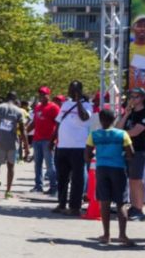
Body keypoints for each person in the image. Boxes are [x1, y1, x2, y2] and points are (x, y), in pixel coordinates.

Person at [86, 109, 135, 247]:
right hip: (118, 169)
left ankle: (106, 235)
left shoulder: (94, 135)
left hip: (101, 169)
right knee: (121, 203)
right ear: (114, 119)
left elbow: (87, 155)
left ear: (100, 119)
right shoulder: (122, 134)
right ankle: (123, 235)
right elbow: (131, 153)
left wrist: (98, 156)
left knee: (105, 202)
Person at [53, 81, 93, 216]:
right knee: (62, 176)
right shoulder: (65, 104)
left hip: (78, 146)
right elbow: (59, 122)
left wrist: (79, 101)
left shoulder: (87, 105)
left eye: (75, 89)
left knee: (77, 178)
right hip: (62, 146)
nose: (72, 91)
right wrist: (53, 139)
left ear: (80, 91)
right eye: (71, 88)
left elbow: (84, 117)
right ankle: (61, 203)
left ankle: (75, 206)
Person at [116, 87, 145, 220]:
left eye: (136, 97)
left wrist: (122, 134)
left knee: (135, 180)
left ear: (142, 98)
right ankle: (134, 206)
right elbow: (118, 128)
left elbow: (135, 131)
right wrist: (126, 114)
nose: (132, 99)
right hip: (126, 149)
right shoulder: (130, 114)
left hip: (138, 150)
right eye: (131, 97)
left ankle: (139, 208)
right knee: (131, 180)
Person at [0, 92, 29, 199]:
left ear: (6, 98)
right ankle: (8, 191)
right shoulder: (18, 111)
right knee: (11, 166)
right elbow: (23, 130)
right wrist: (26, 146)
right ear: (15, 99)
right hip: (12, 143)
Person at [30, 87, 59, 195]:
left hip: (48, 140)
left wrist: (54, 139)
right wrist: (24, 131)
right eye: (40, 94)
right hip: (37, 139)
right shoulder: (38, 107)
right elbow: (34, 122)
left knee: (50, 165)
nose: (41, 96)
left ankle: (53, 187)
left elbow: (58, 124)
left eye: (44, 94)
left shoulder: (54, 107)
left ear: (48, 95)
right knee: (37, 164)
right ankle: (38, 186)